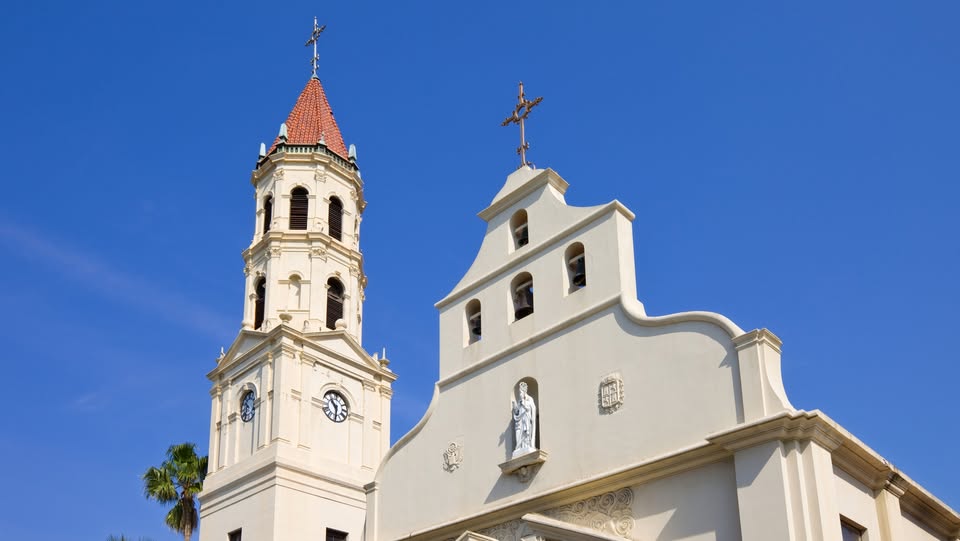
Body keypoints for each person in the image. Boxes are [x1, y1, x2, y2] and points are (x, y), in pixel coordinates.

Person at [512, 382, 537, 457]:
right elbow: (517, 412)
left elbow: (531, 409)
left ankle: (527, 445)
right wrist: (515, 407)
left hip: (527, 420)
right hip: (520, 421)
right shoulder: (520, 401)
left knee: (526, 434)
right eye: (519, 393)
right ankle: (520, 447)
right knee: (519, 434)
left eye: (520, 392)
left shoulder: (529, 399)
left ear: (524, 392)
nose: (519, 394)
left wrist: (524, 405)